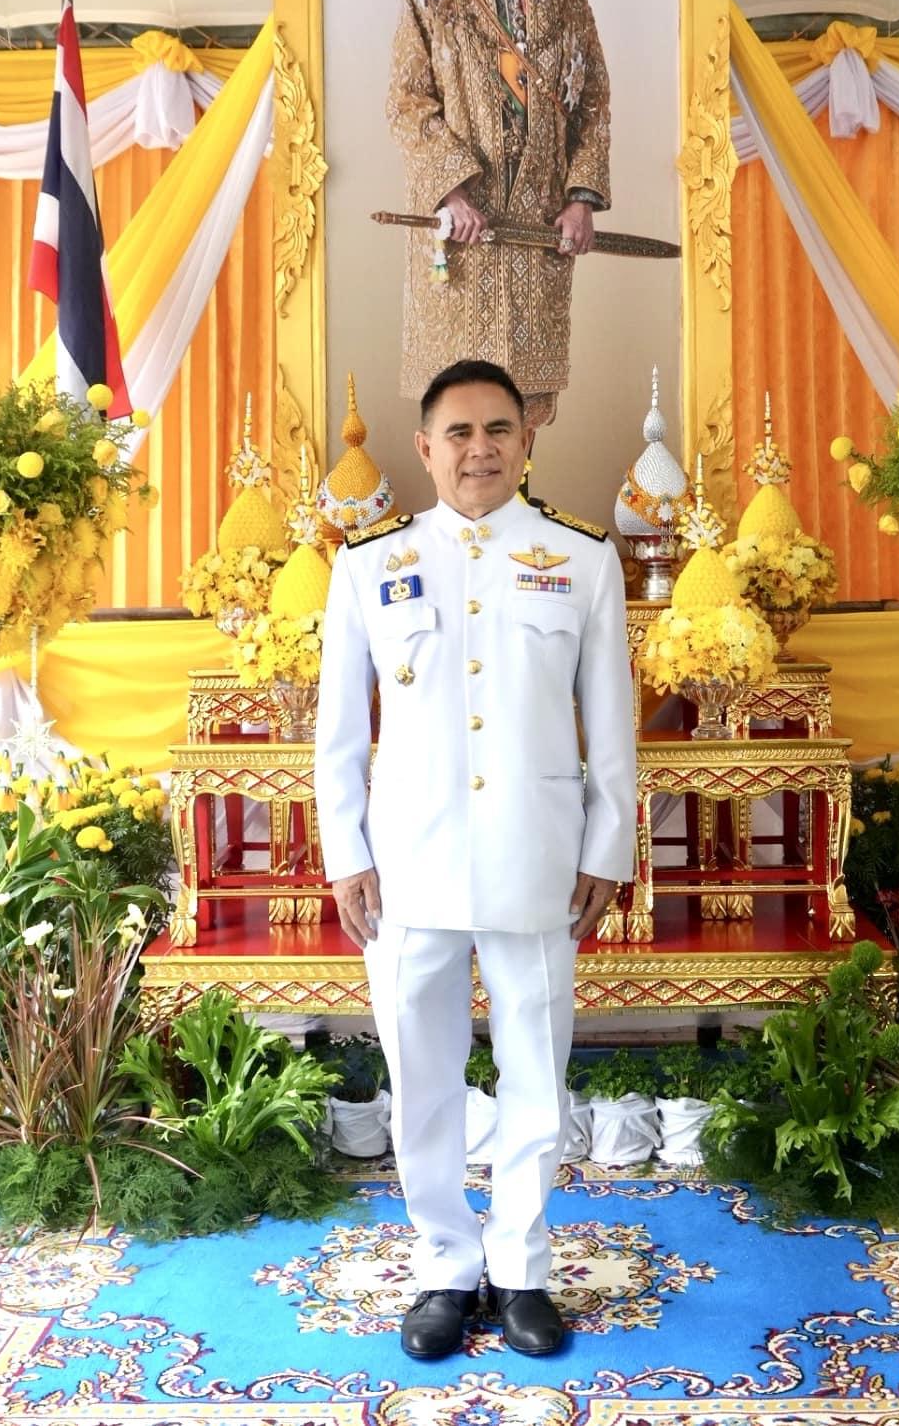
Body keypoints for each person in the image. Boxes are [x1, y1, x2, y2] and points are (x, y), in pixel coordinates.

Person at [313, 359, 637, 1359]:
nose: (479, 449)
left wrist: (607, 844)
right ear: (424, 448)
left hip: (537, 854)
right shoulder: (371, 563)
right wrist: (345, 852)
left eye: (498, 429)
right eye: (457, 432)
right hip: (406, 863)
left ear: (526, 439)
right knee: (421, 1074)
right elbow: (338, 729)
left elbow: (610, 721)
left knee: (536, 1066)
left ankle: (523, 1268)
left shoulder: (581, 559)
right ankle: (445, 1267)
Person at [387, 0, 611, 428]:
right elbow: (408, 103)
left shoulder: (567, 2)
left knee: (524, 409)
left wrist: (580, 201)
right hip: (462, 231)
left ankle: (525, 493)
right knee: (456, 404)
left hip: (539, 228)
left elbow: (592, 104)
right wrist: (452, 192)